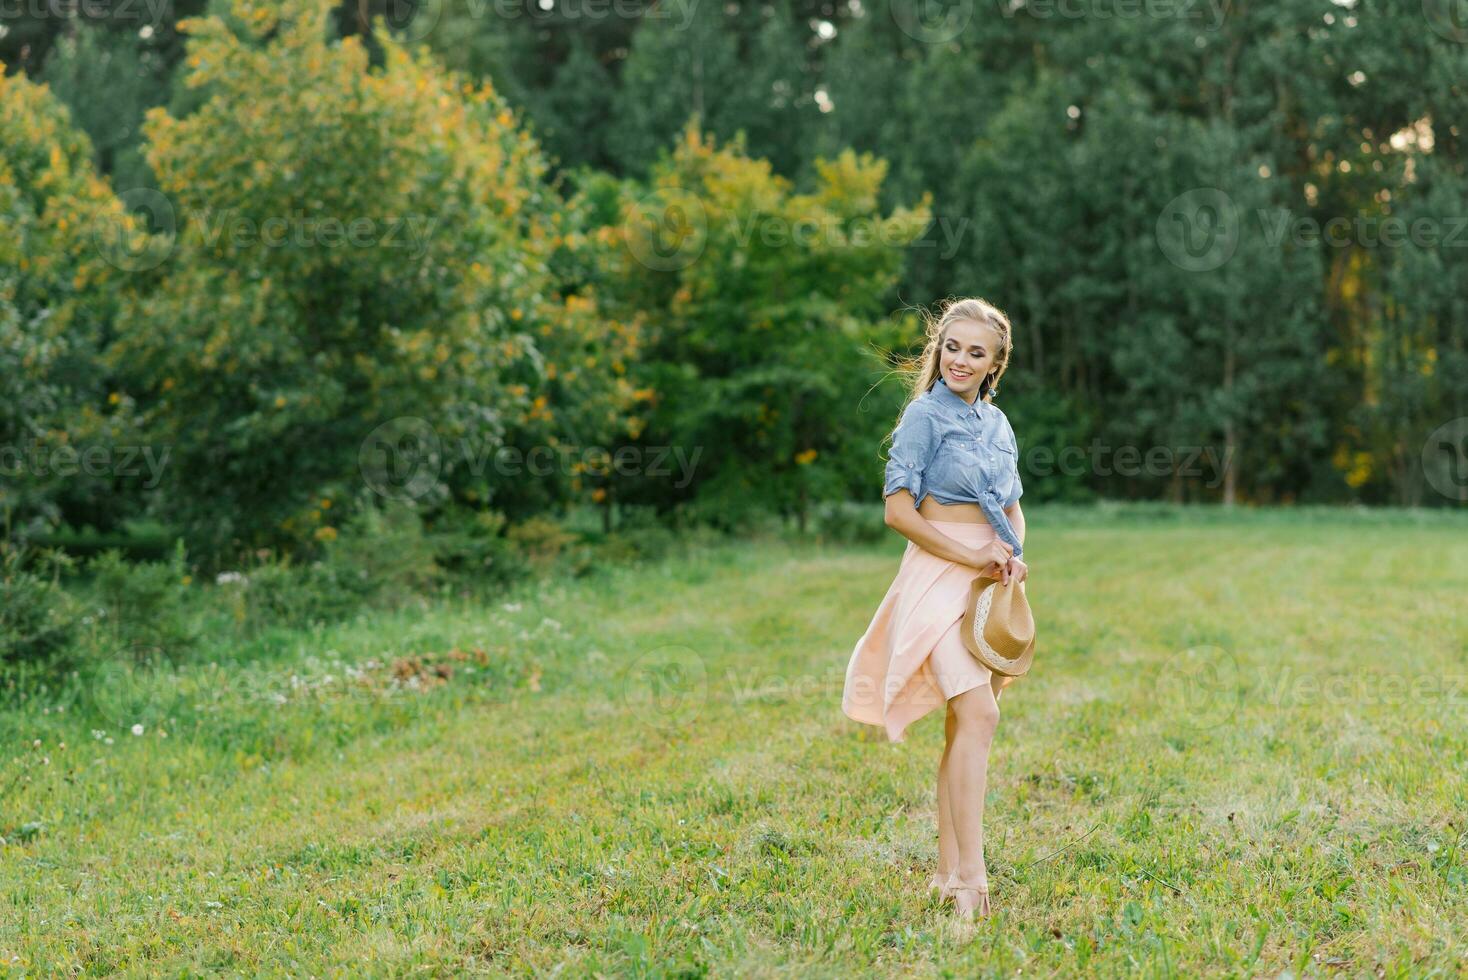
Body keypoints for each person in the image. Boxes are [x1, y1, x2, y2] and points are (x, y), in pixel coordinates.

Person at [841, 296, 1028, 922]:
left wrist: (1013, 557)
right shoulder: (924, 415)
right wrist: (966, 556)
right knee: (980, 713)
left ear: (994, 363)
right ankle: (974, 884)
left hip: (987, 585)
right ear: (938, 350)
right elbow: (898, 512)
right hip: (938, 572)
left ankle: (947, 875)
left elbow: (1012, 503)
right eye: (953, 347)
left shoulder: (999, 426)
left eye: (976, 352)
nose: (960, 360)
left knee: (963, 724)